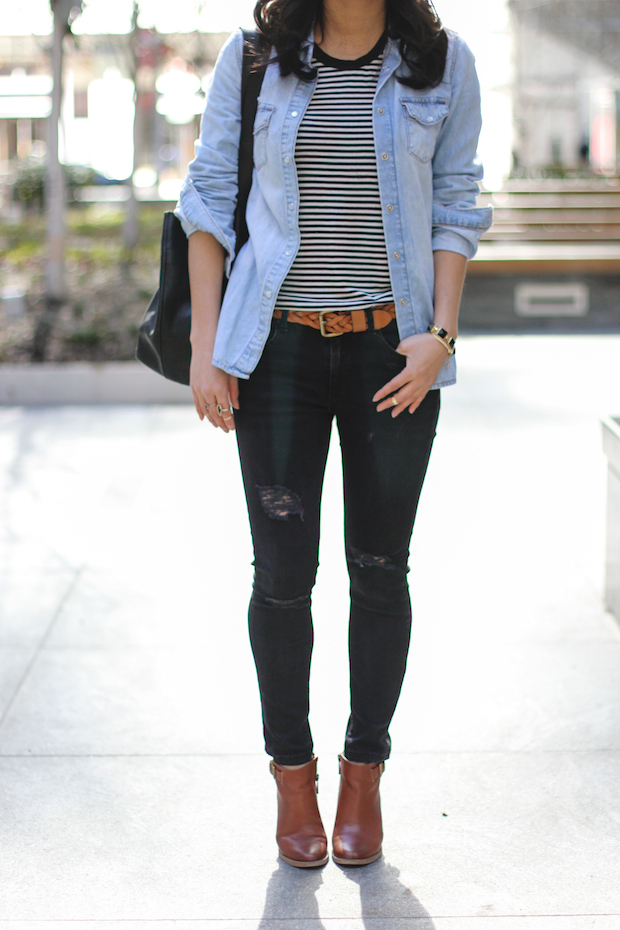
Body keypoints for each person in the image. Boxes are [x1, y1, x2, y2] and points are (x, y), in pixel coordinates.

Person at [175, 0, 492, 869]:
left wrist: (442, 337)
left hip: (396, 352)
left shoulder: (441, 61)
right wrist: (209, 349)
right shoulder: (254, 60)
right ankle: (292, 777)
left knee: (381, 571)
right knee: (281, 577)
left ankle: (363, 776)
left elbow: (458, 199)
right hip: (275, 353)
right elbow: (206, 199)